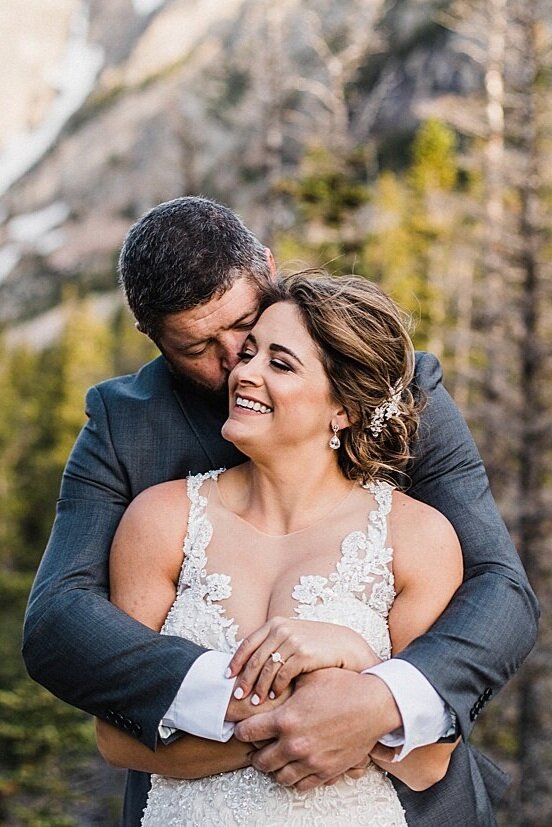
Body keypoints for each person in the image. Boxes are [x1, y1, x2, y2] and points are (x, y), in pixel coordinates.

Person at [22, 197, 537, 826]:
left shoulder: (401, 393)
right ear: (154, 338)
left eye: (246, 325)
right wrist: (244, 703)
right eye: (196, 347)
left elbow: (501, 587)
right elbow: (57, 617)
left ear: (266, 267)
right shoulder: (127, 428)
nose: (235, 361)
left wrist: (378, 699)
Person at [96, 272, 465, 825]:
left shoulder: (417, 538)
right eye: (249, 353)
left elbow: (430, 761)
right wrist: (297, 728)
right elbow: (115, 737)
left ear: (343, 409)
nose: (243, 373)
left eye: (280, 363)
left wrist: (360, 660)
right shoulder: (161, 519)